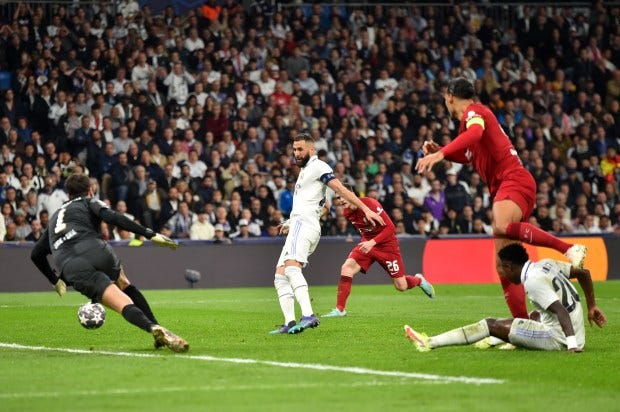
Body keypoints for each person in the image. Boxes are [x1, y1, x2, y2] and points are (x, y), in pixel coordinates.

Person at [415, 78, 587, 319]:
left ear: (450, 96)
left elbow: (475, 133)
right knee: (505, 267)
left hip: (513, 180)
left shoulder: (475, 112)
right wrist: (443, 151)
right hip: (507, 187)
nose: (445, 103)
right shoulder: (469, 124)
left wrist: (442, 154)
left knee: (500, 225)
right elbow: (469, 154)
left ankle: (569, 248)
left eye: (445, 98)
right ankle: (522, 325)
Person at [30, 174, 189, 353]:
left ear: (68, 194)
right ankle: (158, 328)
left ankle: (152, 328)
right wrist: (150, 234)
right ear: (90, 190)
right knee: (123, 283)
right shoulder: (89, 201)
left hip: (70, 266)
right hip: (97, 250)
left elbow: (36, 254)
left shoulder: (53, 220)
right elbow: (113, 217)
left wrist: (55, 280)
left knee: (121, 303)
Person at [270, 132, 385, 335]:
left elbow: (339, 188)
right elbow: (319, 204)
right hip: (300, 224)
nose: (296, 153)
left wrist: (365, 208)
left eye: (300, 149)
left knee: (291, 269)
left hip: (303, 226)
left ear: (311, 150)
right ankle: (289, 322)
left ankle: (308, 315)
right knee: (280, 276)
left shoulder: (318, 166)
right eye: (294, 149)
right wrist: (291, 221)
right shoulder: (306, 171)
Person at [404, 243, 607, 352]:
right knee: (535, 314)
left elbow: (560, 311)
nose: (501, 272)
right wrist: (592, 306)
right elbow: (584, 273)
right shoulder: (545, 264)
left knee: (490, 323)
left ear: (510, 266)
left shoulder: (533, 281)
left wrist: (571, 345)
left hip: (559, 339)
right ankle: (495, 340)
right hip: (574, 330)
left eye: (502, 268)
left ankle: (429, 342)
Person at [323, 184, 435, 318]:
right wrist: (367, 242)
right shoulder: (347, 212)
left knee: (401, 286)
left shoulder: (370, 204)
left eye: (342, 196)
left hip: (387, 245)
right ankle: (340, 309)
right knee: (347, 268)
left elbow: (390, 229)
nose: (340, 200)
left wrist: (372, 242)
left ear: (352, 194)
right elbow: (365, 229)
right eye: (338, 197)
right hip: (368, 244)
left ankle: (418, 280)